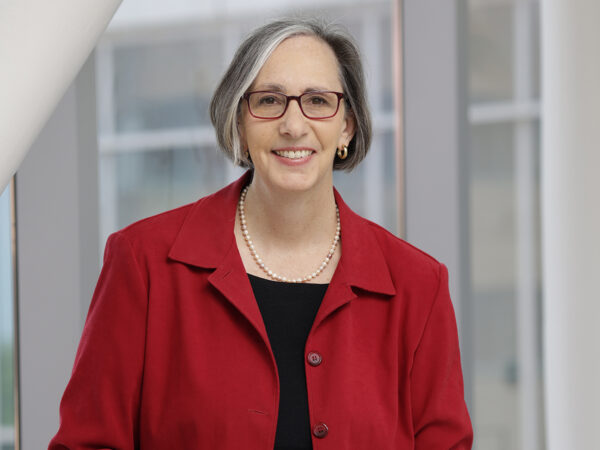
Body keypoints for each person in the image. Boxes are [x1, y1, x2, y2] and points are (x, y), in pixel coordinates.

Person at [49, 18, 472, 449]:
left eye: (318, 100)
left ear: (347, 126)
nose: (293, 125)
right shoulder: (144, 262)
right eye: (269, 100)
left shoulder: (418, 286)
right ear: (239, 123)